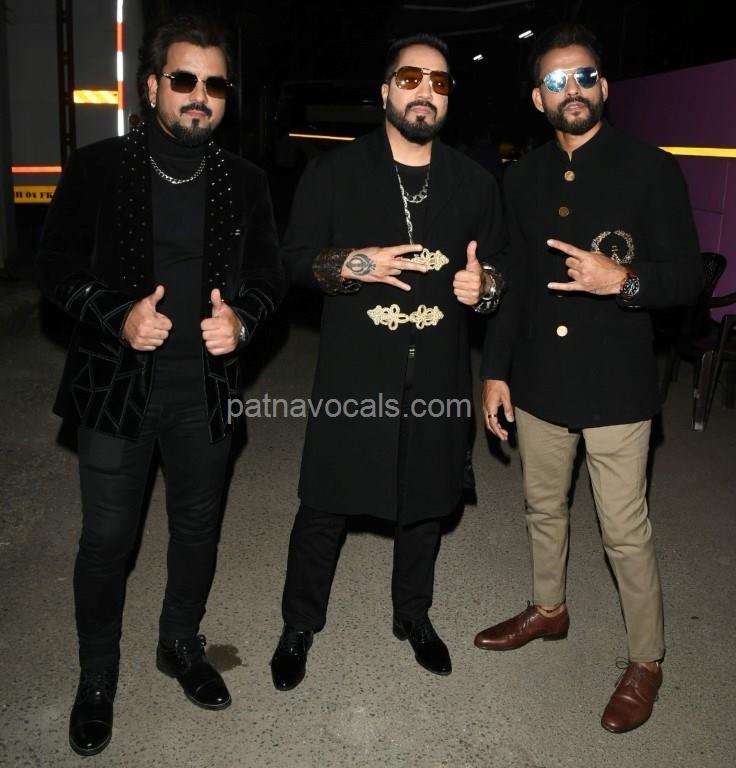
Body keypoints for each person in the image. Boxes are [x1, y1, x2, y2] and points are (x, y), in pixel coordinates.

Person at [37, 14, 283, 757]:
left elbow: (270, 279)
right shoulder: (98, 168)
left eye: (215, 85)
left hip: (204, 388)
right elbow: (55, 272)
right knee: (107, 539)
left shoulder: (245, 182)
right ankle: (98, 676)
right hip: (117, 386)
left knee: (197, 528)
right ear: (151, 87)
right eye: (184, 80)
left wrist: (242, 320)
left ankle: (179, 642)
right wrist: (116, 316)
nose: (200, 95)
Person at [474, 23, 702, 733]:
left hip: (615, 384)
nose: (570, 89)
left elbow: (687, 277)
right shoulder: (522, 178)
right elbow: (512, 282)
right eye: (554, 81)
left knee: (623, 528)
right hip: (540, 379)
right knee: (542, 507)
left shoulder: (651, 168)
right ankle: (549, 609)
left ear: (603, 87)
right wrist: (495, 372)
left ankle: (646, 660)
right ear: (537, 100)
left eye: (582, 76)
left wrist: (623, 280)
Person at [270, 33, 506, 690]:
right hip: (356, 372)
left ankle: (413, 615)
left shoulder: (474, 183)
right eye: (410, 78)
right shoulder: (334, 173)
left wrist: (484, 286)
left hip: (436, 373)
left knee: (425, 504)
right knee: (324, 504)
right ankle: (299, 624)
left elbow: (503, 270)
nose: (425, 90)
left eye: (439, 81)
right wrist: (349, 264)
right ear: (384, 92)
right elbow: (291, 260)